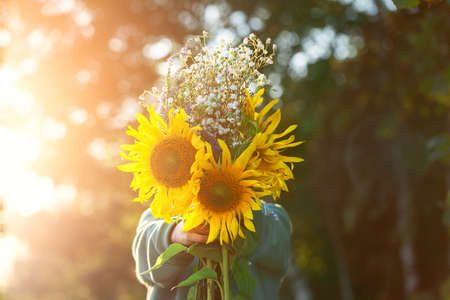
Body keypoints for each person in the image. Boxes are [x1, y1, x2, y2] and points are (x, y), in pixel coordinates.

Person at [132, 202, 292, 300]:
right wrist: (173, 233)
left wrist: (237, 206)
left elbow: (279, 244)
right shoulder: (159, 214)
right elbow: (146, 264)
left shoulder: (269, 214)